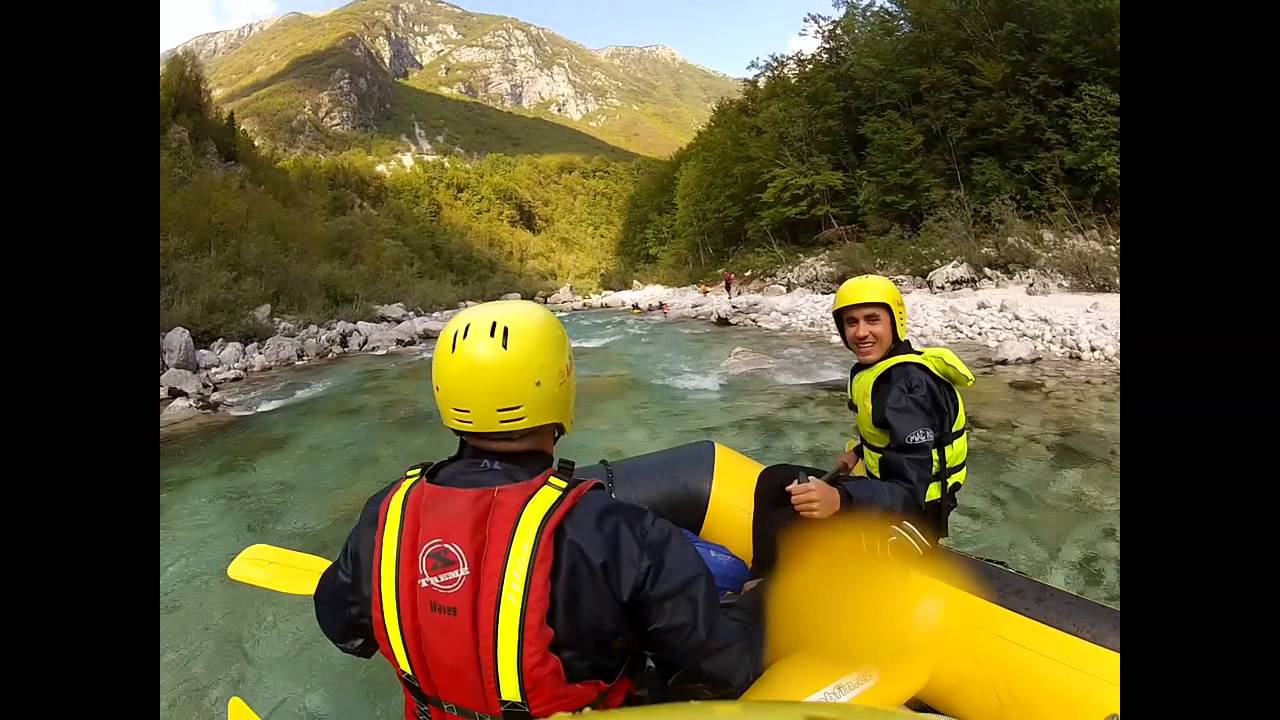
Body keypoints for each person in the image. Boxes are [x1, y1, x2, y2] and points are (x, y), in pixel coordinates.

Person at [313, 300, 762, 720]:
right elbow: (719, 670)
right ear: (561, 385)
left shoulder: (385, 515)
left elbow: (343, 628)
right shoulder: (620, 533)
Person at [750, 276, 974, 576]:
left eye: (872, 320)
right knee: (773, 479)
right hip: (889, 498)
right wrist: (858, 451)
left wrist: (840, 498)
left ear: (895, 322)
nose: (861, 332)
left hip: (913, 521)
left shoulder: (907, 387)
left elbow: (911, 490)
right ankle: (759, 582)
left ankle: (766, 602)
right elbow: (897, 437)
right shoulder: (881, 371)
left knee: (784, 525)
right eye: (851, 322)